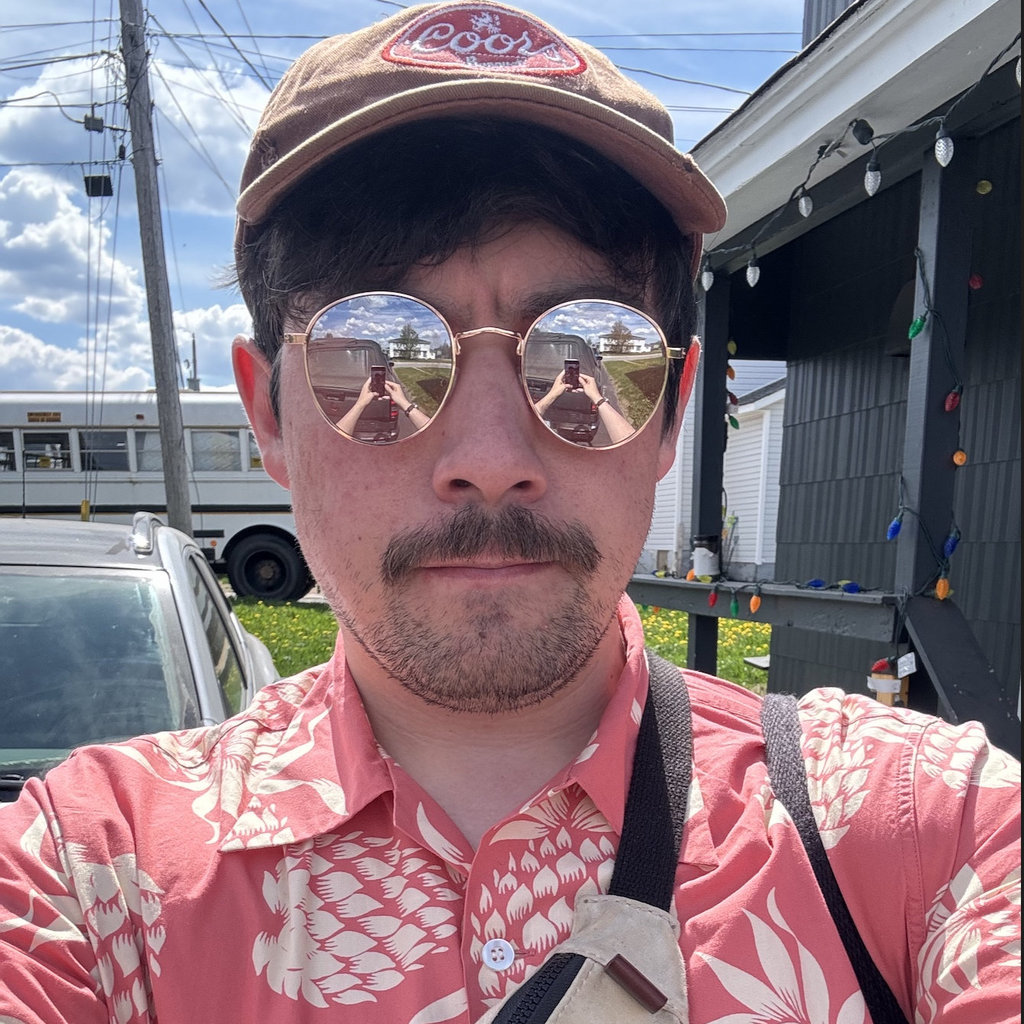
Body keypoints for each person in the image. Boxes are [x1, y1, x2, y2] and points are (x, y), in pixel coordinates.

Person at [0, 3, 1018, 1022]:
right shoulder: (88, 881)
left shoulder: (923, 829)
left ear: (671, 409)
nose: (490, 463)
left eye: (594, 357)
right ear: (269, 411)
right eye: (376, 358)